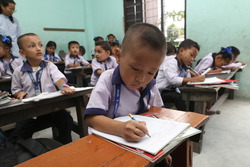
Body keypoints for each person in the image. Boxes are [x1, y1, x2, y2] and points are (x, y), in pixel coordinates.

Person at [85, 23, 171, 167]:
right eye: (136, 68)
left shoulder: (151, 85)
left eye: (151, 72)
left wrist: (163, 147)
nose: (141, 79)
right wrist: (120, 128)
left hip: (141, 144)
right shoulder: (107, 79)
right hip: (108, 143)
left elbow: (159, 114)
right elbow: (91, 118)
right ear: (118, 56)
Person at [11, 33, 75, 144]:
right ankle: (27, 151)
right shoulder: (18, 71)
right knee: (19, 132)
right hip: (31, 111)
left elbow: (58, 78)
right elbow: (16, 89)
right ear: (22, 53)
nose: (38, 49)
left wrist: (63, 86)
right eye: (32, 46)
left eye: (40, 45)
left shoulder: (49, 65)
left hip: (51, 107)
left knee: (66, 119)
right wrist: (20, 93)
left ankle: (65, 145)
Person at [156, 39, 205, 111]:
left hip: (172, 90)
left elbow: (187, 79)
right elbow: (173, 80)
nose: (192, 59)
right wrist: (193, 79)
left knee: (192, 94)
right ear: (181, 51)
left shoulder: (184, 65)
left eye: (194, 57)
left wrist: (195, 77)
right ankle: (185, 116)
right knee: (176, 96)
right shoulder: (171, 62)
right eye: (191, 55)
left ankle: (192, 114)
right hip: (160, 92)